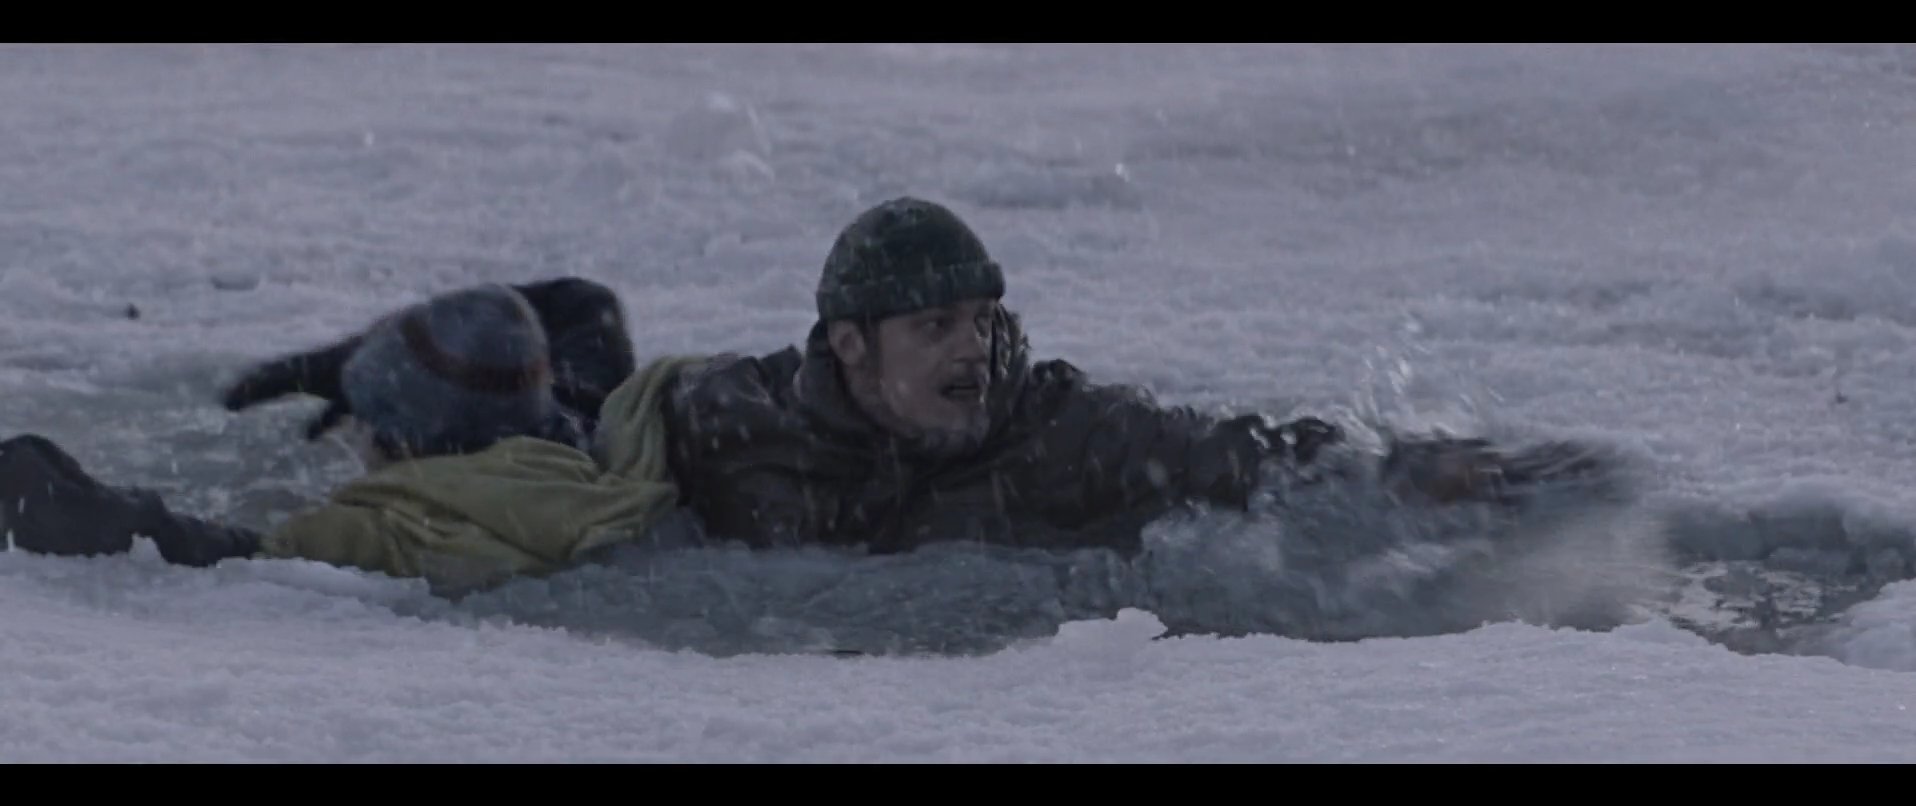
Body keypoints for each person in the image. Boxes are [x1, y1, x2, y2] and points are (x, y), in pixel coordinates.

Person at [1, 197, 1565, 592]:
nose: (974, 351)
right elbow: (548, 502)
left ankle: (552, 326)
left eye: (986, 322)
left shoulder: (1052, 422)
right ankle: (152, 512)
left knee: (570, 335)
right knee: (476, 494)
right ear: (849, 348)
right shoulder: (744, 416)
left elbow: (1234, 453)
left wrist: (1420, 470)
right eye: (937, 326)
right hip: (631, 449)